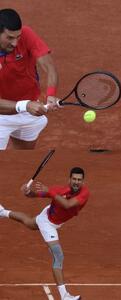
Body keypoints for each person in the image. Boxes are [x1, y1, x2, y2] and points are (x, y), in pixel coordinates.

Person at [0, 167, 89, 300]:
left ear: (83, 181)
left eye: (79, 180)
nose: (76, 182)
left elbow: (68, 205)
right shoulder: (59, 190)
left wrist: (50, 192)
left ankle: (2, 212)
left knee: (30, 222)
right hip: (48, 223)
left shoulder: (84, 192)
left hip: (50, 216)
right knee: (58, 256)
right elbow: (34, 195)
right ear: (69, 180)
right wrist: (28, 192)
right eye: (74, 179)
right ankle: (64, 296)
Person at [0, 8, 59, 150]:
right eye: (9, 38)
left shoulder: (27, 34)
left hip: (30, 111)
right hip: (2, 114)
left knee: (23, 156)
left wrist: (51, 94)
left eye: (18, 37)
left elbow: (49, 68)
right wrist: (24, 105)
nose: (15, 43)